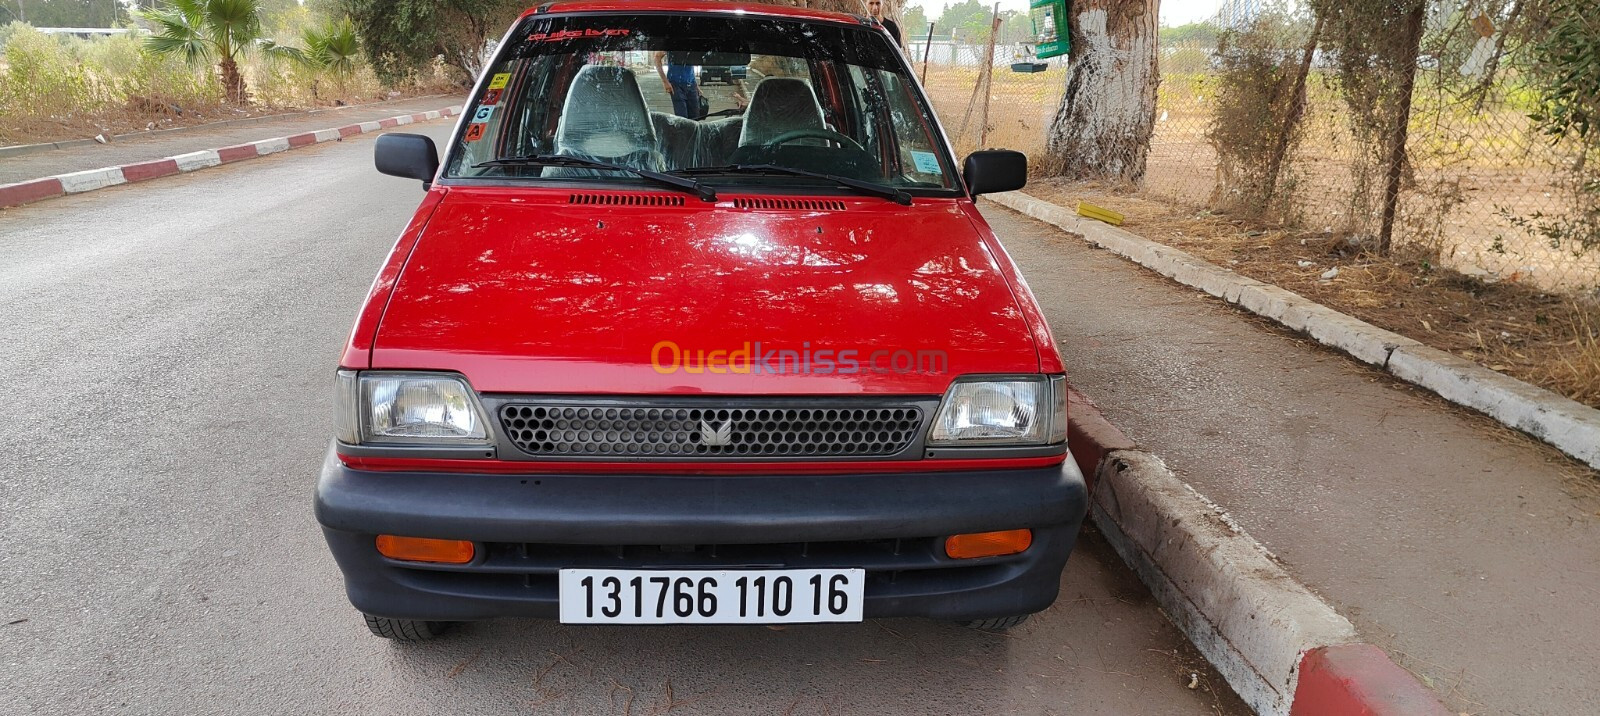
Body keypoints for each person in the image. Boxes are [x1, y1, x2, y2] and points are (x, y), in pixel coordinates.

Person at [653, 51, 703, 119]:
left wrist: (695, 84)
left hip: (691, 84)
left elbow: (689, 65)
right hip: (676, 85)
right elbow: (657, 57)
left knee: (695, 116)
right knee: (682, 118)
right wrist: (665, 81)